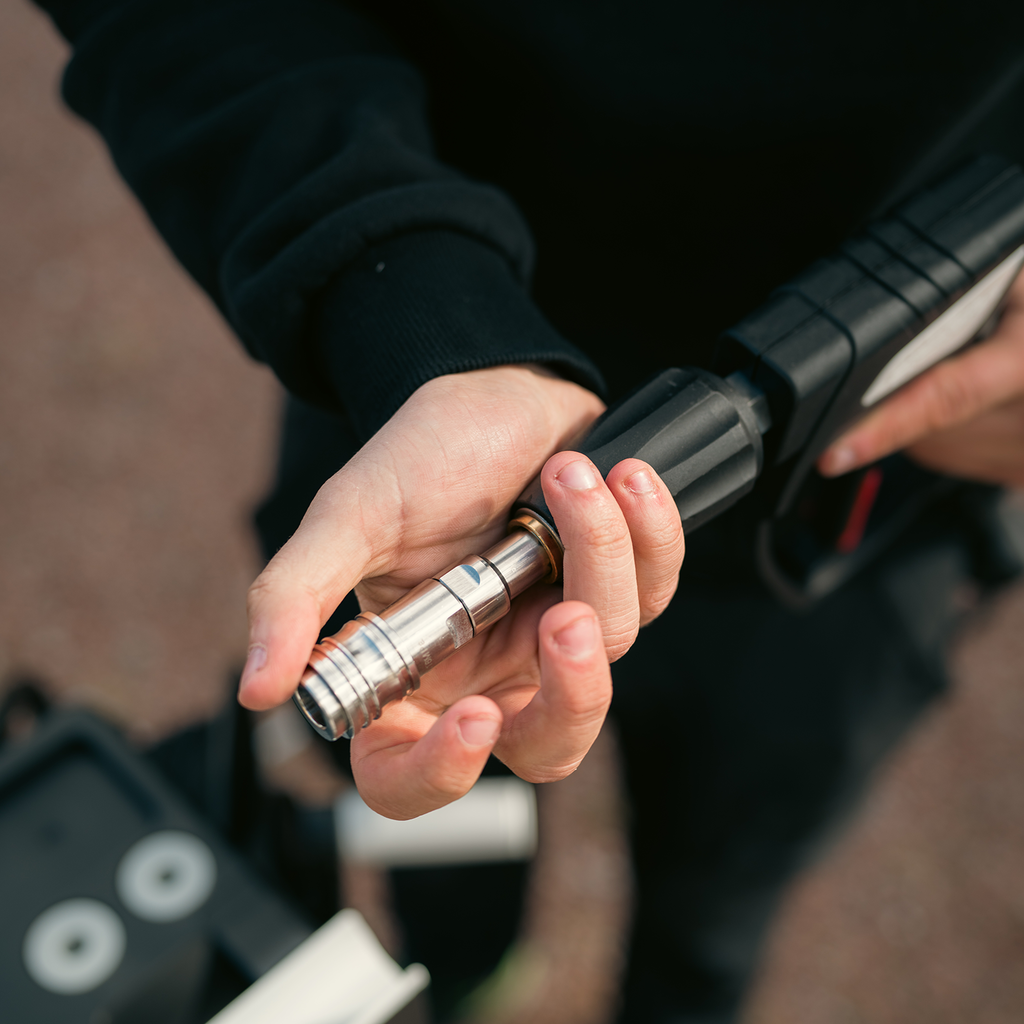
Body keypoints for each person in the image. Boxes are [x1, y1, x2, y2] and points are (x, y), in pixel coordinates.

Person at [35, 0, 1024, 1019]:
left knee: (715, 904)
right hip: (419, 426)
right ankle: (465, 980)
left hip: (870, 506)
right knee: (439, 806)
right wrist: (414, 315)